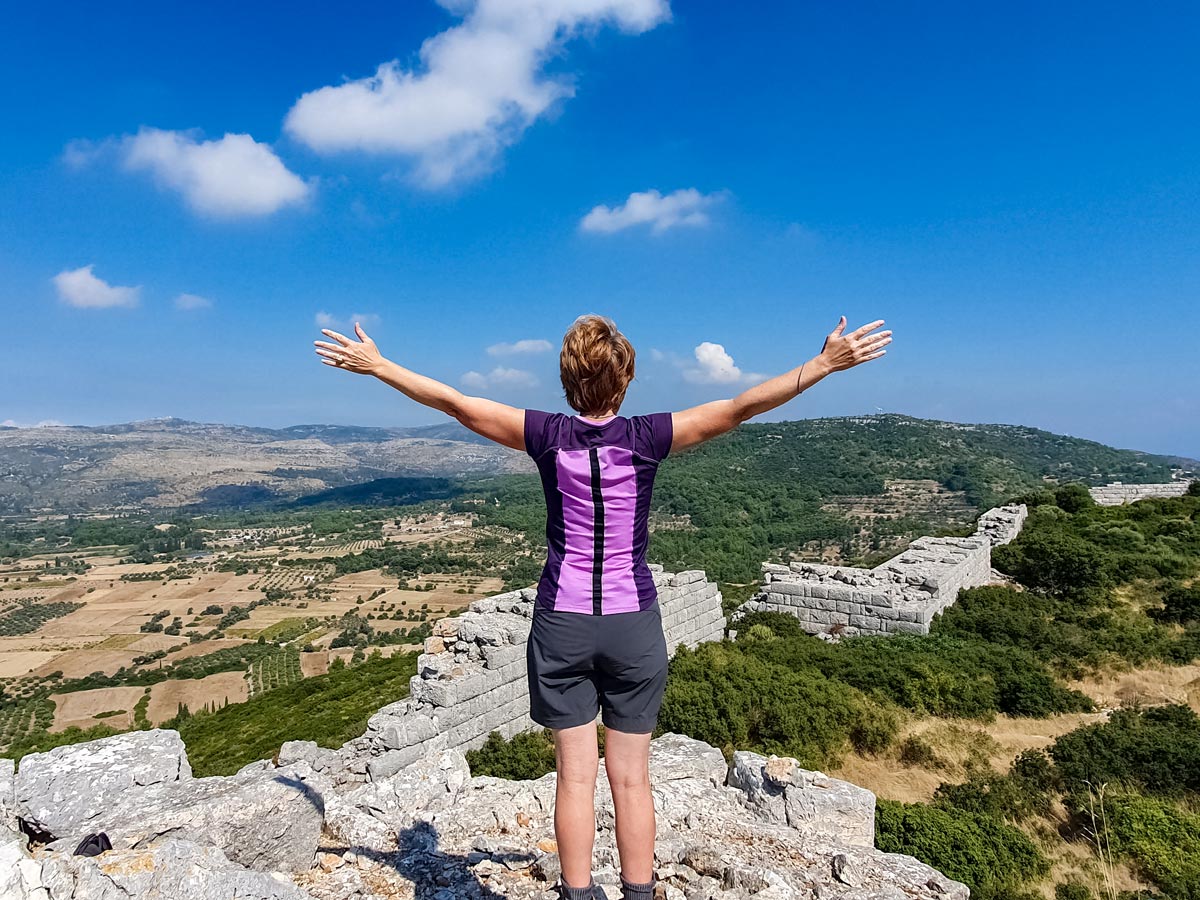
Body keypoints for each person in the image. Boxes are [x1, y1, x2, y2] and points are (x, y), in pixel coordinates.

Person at [314, 313, 891, 900]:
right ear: (627, 380)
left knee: (575, 776)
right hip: (632, 623)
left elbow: (458, 404)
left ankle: (578, 893)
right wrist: (822, 364)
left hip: (561, 622)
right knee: (633, 780)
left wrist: (380, 366)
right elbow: (741, 406)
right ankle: (639, 892)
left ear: (567, 380)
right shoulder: (647, 438)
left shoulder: (545, 434)